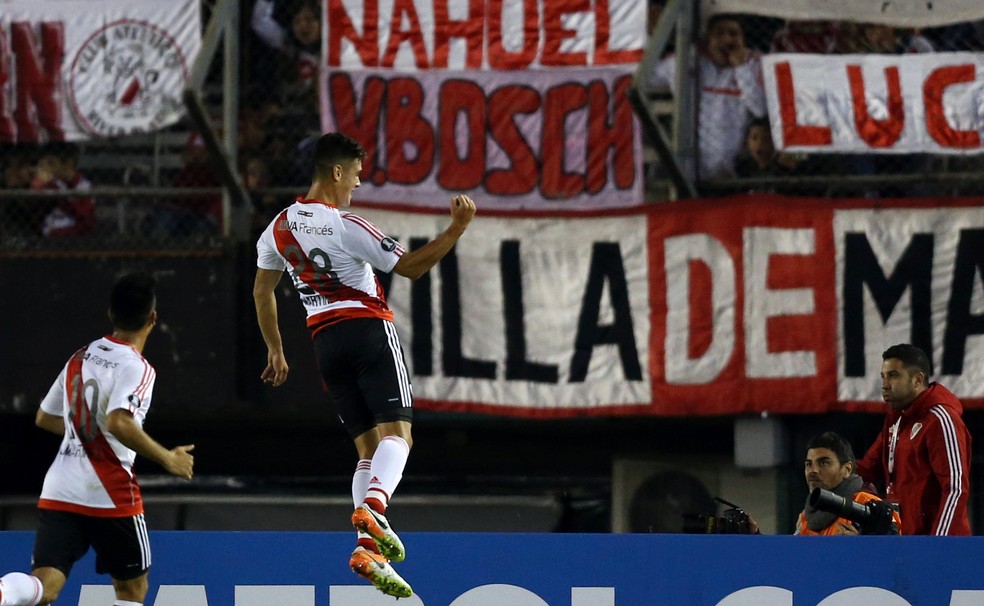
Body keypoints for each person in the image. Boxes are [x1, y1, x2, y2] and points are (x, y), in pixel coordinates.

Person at [252, 132, 476, 598]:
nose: (357, 183)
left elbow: (262, 290)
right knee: (400, 436)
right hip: (369, 332)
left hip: (324, 343)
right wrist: (455, 230)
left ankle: (366, 550)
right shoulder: (346, 225)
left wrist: (275, 348)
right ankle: (374, 507)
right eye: (354, 174)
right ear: (335, 172)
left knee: (368, 453)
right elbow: (411, 267)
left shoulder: (277, 227)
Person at [0, 272, 195, 606]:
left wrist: (85, 430)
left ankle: (4, 591)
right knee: (132, 588)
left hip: (61, 486)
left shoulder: (81, 356)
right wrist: (168, 459)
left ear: (110, 314)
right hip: (109, 489)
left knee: (44, 587)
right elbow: (120, 422)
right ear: (153, 319)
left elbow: (45, 418)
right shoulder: (138, 368)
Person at [856, 343, 972, 535]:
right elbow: (868, 468)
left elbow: (955, 488)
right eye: (883, 377)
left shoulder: (941, 419)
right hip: (904, 542)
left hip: (938, 547)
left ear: (917, 380)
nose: (885, 384)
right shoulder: (895, 418)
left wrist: (937, 544)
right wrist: (834, 473)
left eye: (893, 375)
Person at [648, 13, 767, 181]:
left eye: (734, 34)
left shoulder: (754, 64)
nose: (727, 39)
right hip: (690, 168)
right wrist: (652, 37)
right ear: (707, 40)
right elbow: (646, 77)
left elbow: (760, 109)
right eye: (719, 34)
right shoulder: (684, 60)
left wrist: (741, 68)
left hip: (738, 169)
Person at [795, 432, 900, 536]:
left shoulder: (868, 505)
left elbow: (897, 549)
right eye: (808, 464)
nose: (813, 470)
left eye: (824, 463)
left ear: (847, 469)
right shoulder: (805, 515)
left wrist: (863, 545)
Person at [31, 142, 95, 238]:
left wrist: (55, 189)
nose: (47, 169)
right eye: (43, 165)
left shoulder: (84, 185)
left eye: (51, 163)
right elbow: (36, 213)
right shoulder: (49, 184)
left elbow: (84, 220)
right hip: (46, 238)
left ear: (68, 164)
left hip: (75, 239)